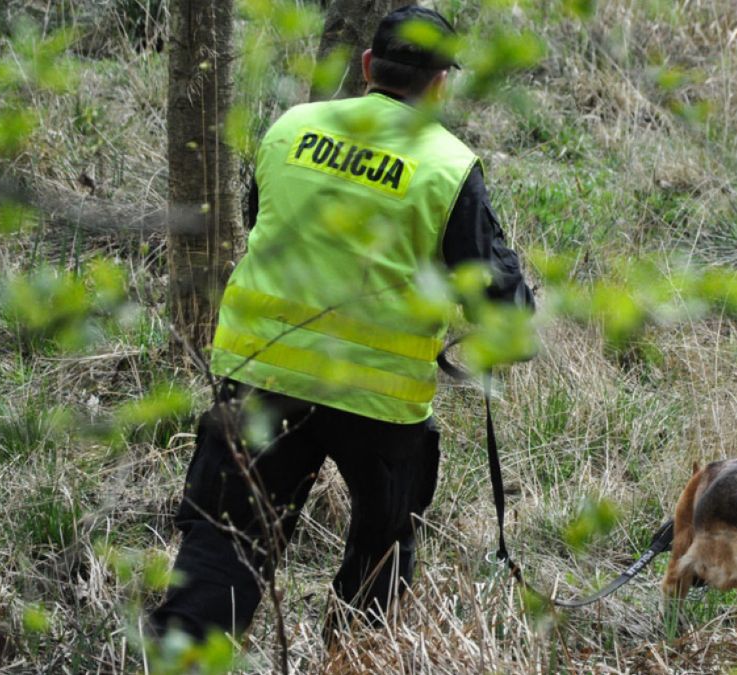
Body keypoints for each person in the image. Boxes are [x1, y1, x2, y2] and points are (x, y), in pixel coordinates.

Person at [150, 5, 534, 642]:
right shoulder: (447, 164)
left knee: (222, 555)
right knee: (382, 551)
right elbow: (497, 301)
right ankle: (353, 651)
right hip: (379, 407)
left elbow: (260, 225)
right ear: (441, 84)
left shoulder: (289, 128)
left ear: (365, 67)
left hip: (261, 376)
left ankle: (184, 654)